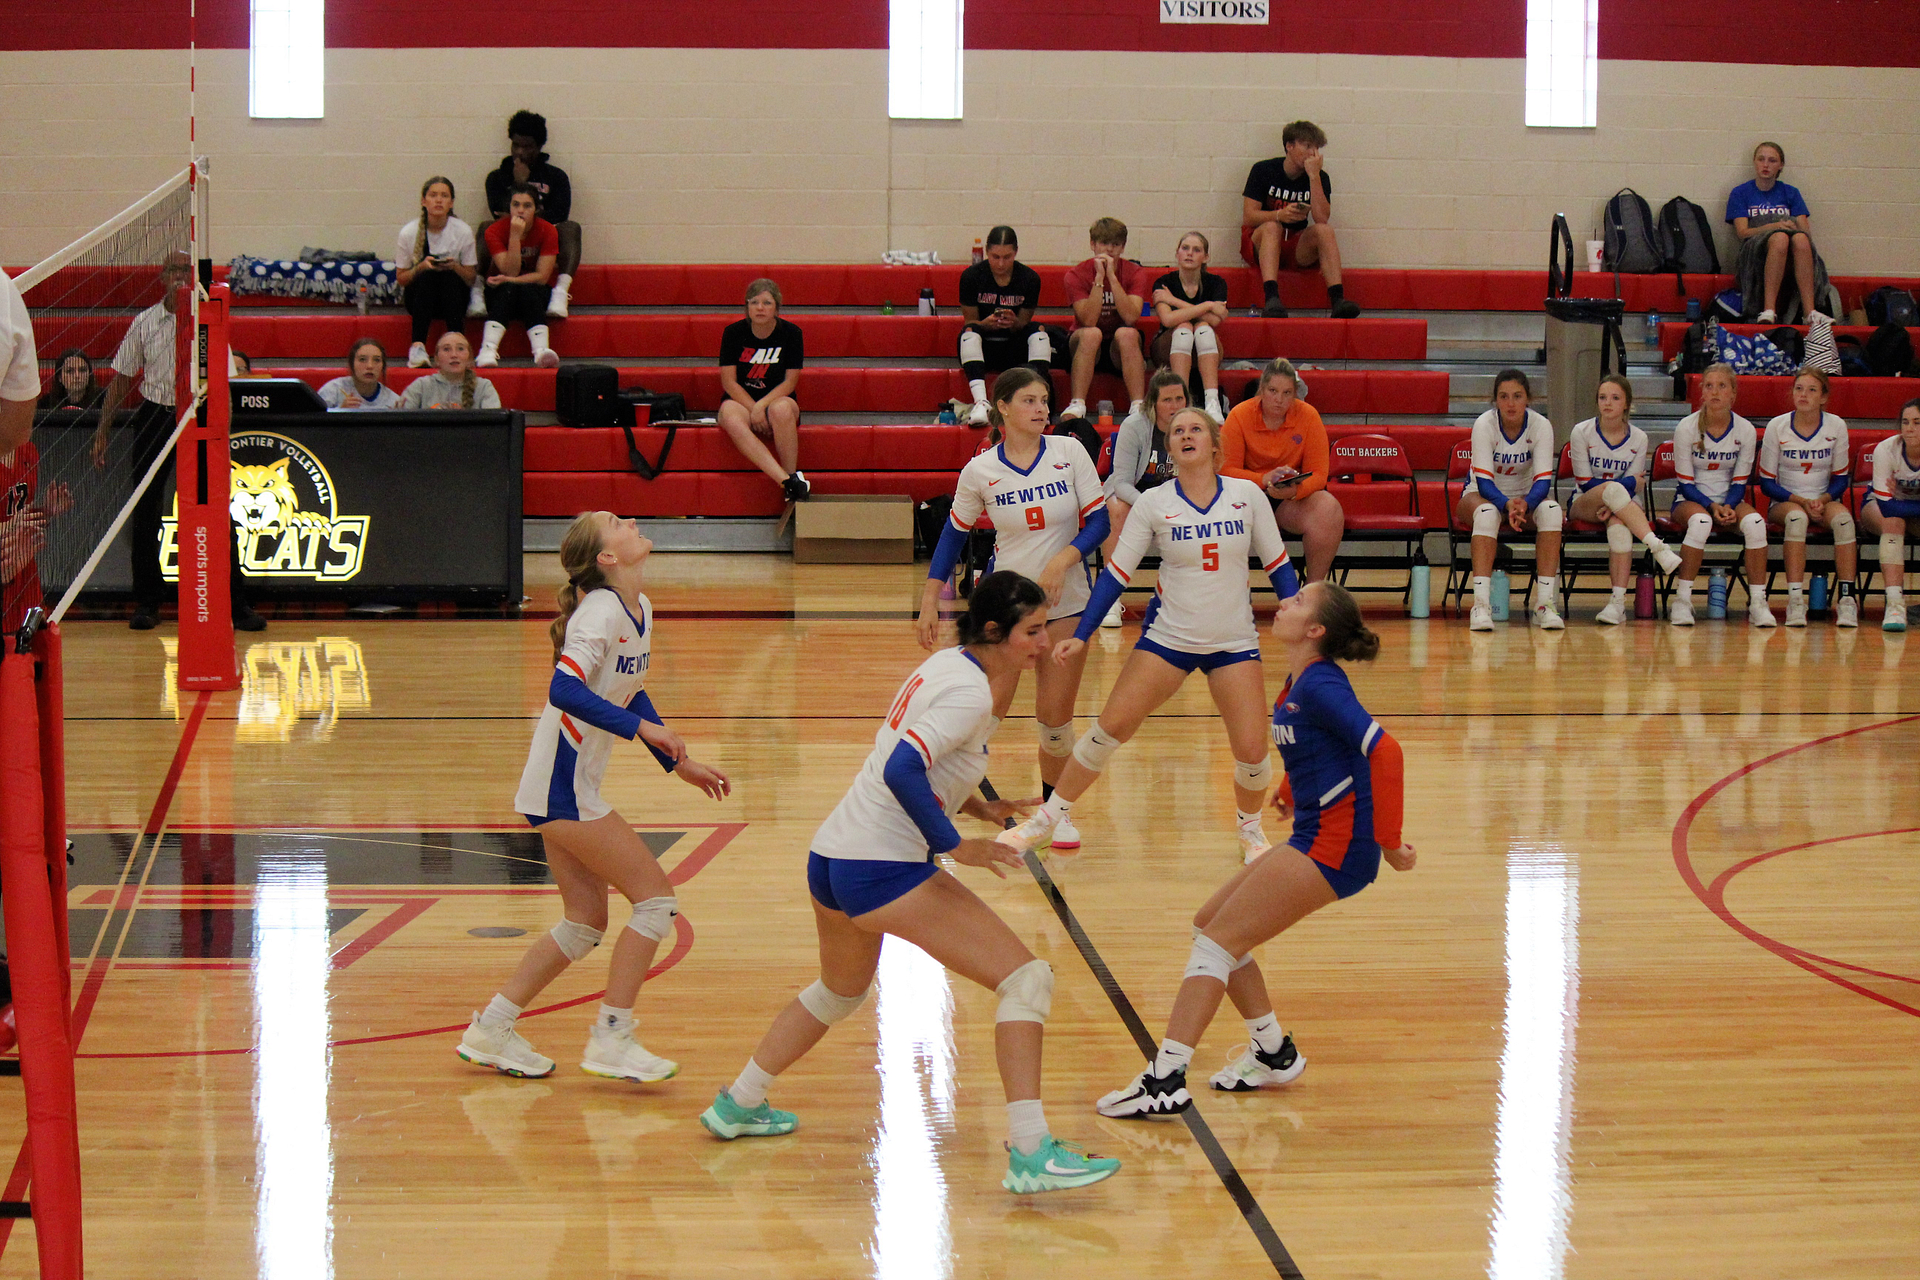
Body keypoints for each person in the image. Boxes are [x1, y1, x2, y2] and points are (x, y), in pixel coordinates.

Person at [699, 570, 1121, 1195]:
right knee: (1027, 980)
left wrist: (977, 806)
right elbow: (902, 768)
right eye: (1032, 632)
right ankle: (1032, 1151)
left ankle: (739, 1101)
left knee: (838, 993)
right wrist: (957, 846)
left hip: (833, 857)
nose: (1042, 643)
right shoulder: (970, 696)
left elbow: (915, 761)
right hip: (881, 867)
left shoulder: (949, 667)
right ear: (995, 631)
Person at [1096, 581, 1411, 1117]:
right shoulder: (1300, 681)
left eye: (1299, 602)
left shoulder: (1321, 685)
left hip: (1338, 847)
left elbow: (1386, 752)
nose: (1284, 602)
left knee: (1217, 943)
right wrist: (1290, 789)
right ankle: (1271, 1052)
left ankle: (1165, 1080)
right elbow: (1319, 747)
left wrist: (1390, 842)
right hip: (1314, 836)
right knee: (1210, 925)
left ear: (1316, 630)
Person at [458, 511, 731, 1083]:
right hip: (562, 788)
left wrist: (677, 762)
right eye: (616, 522)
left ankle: (491, 1028)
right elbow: (563, 687)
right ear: (606, 557)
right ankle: (611, 1036)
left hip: (561, 786)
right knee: (656, 902)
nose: (630, 520)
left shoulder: (639, 607)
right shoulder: (600, 611)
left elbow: (629, 690)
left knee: (584, 922)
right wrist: (643, 730)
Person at [1000, 406, 1300, 865]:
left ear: (1214, 445)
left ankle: (1250, 831)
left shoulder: (1247, 495)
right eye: (1177, 431)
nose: (1185, 435)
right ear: (1170, 448)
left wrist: (1301, 631)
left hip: (1233, 643)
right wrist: (1083, 633)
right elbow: (1116, 575)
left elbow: (1279, 567)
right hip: (1168, 640)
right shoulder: (1153, 502)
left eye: (1195, 429)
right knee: (1107, 731)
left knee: (1254, 754)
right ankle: (1046, 821)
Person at [917, 367, 1108, 839]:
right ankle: (935, 802)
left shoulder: (1069, 452)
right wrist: (930, 597)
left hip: (1066, 603)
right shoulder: (980, 469)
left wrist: (1062, 561)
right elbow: (953, 533)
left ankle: (1054, 814)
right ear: (1002, 408)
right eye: (1029, 400)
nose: (1041, 409)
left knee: (1055, 724)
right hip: (1005, 608)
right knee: (980, 713)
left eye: (1044, 400)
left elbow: (1100, 523)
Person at [92, 251, 264, 633]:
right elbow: (121, 378)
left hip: (200, 413)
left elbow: (222, 383)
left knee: (216, 506)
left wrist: (222, 435)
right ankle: (148, 601)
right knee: (146, 509)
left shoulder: (209, 320)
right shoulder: (145, 322)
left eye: (186, 271)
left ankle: (235, 603)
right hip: (156, 412)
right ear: (162, 277)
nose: (180, 277)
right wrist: (103, 430)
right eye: (173, 270)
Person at [1566, 375, 1684, 625]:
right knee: (1612, 489)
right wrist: (1620, 488)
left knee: (1619, 530)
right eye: (1602, 397)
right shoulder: (1581, 431)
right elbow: (1586, 482)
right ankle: (1657, 546)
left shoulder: (1639, 437)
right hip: (1585, 503)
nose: (1607, 403)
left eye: (1615, 398)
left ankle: (1617, 604)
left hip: (1623, 506)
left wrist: (1616, 499)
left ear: (1627, 403)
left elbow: (1635, 486)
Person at [1221, 357, 1345, 585]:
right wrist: (1262, 479)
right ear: (1261, 389)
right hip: (1247, 497)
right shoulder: (1239, 415)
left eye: (1287, 393)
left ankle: (1313, 590)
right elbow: (1226, 471)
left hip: (1288, 498)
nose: (1279, 400)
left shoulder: (1309, 416)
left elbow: (1319, 474)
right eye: (1273, 391)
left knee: (1329, 509)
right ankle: (1229, 588)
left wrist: (1295, 491)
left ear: (1295, 394)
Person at [1668, 363, 1770, 628]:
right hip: (1690, 499)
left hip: (1730, 499)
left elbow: (1740, 481)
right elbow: (1686, 484)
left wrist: (1728, 505)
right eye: (1709, 386)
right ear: (1701, 392)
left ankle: (1758, 602)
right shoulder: (1686, 427)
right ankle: (1682, 601)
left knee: (1756, 524)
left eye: (1722, 386)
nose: (1715, 392)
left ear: (1733, 393)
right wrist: (1712, 507)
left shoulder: (1745, 430)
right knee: (1701, 522)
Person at [1461, 369, 1562, 631]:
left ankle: (1545, 604)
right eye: (1504, 396)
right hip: (1481, 494)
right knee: (1487, 514)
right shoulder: (1484, 424)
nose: (1510, 403)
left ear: (1528, 398)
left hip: (1526, 496)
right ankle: (1481, 606)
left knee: (1552, 510)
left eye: (1517, 396)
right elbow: (1485, 483)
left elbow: (1543, 482)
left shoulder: (1541, 425)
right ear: (1495, 400)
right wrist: (1507, 505)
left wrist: (1525, 504)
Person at [1757, 367, 1856, 628]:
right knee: (1797, 519)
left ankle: (1847, 600)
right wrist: (1802, 501)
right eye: (1799, 389)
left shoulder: (1836, 426)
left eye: (1812, 390)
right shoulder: (1777, 426)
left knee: (1845, 522)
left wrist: (1823, 500)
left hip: (1824, 499)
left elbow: (1841, 480)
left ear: (1823, 397)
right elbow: (1767, 483)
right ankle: (1795, 600)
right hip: (1786, 501)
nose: (1804, 394)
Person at [3, 267, 71, 641]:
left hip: (24, 578)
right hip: (5, 567)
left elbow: (21, 515)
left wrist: (45, 510)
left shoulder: (27, 450)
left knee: (32, 659)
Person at [1241, 121, 1361, 320]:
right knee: (1272, 227)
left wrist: (1314, 177)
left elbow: (1321, 218)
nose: (1313, 153)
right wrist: (1278, 215)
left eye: (1316, 148)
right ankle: (1271, 298)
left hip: (1295, 243)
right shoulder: (1263, 170)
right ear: (1289, 146)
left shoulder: (1320, 177)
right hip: (1262, 240)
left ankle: (1338, 300)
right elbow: (1249, 216)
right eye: (1307, 146)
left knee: (1325, 231)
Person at [1101, 369, 1188, 626]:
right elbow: (1121, 482)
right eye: (1167, 400)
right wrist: (1149, 507)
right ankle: (1110, 600)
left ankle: (1178, 598)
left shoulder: (1193, 426)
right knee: (1116, 510)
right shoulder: (1134, 426)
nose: (1175, 406)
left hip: (1175, 497)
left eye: (1179, 399)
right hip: (1134, 496)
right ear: (1153, 404)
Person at [479, 110, 581, 320]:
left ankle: (561, 292)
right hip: (509, 243)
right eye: (515, 145)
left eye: (527, 147)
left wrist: (529, 217)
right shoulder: (497, 177)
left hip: (544, 241)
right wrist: (519, 184)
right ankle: (476, 290)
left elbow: (560, 213)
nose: (520, 152)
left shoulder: (556, 177)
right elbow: (498, 213)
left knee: (571, 228)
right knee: (485, 227)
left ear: (539, 146)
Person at [956, 226, 1059, 428]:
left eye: (1007, 257)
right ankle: (981, 403)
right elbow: (971, 321)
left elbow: (1024, 323)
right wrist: (986, 324)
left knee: (1039, 332)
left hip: (1014, 346)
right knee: (968, 333)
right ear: (987, 252)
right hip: (984, 346)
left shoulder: (1029, 278)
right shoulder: (971, 277)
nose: (1001, 263)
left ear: (1016, 253)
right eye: (995, 257)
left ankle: (1039, 403)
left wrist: (1014, 322)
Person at [717, 278, 809, 504]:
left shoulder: (792, 333)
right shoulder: (732, 333)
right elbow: (729, 382)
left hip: (778, 399)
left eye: (767, 303)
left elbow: (790, 382)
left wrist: (762, 406)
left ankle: (791, 473)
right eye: (754, 302)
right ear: (747, 307)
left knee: (781, 410)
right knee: (729, 415)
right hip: (741, 401)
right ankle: (788, 482)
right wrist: (754, 409)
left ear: (777, 308)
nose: (760, 308)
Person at [1062, 217, 1154, 423]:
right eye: (1104, 243)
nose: (1109, 249)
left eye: (1115, 244)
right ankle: (1077, 403)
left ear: (1123, 247)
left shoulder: (1135, 272)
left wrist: (1112, 277)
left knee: (1127, 333)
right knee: (1091, 334)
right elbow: (1088, 320)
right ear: (1093, 244)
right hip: (1085, 341)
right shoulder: (1076, 274)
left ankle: (1138, 405)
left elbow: (1131, 316)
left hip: (1119, 346)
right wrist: (1099, 278)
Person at [1727, 142, 1824, 325]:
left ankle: (1810, 311)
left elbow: (1805, 232)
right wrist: (1774, 226)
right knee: (1779, 238)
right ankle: (1769, 310)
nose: (1766, 165)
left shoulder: (1791, 192)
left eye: (1772, 161)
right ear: (1754, 162)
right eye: (1761, 159)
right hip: (1755, 251)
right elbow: (1742, 232)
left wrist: (1791, 227)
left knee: (1801, 239)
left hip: (1790, 251)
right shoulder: (1740, 193)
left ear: (1780, 165)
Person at [394, 176, 476, 369]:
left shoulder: (463, 231)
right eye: (433, 195)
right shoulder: (409, 232)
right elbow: (401, 278)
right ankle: (417, 347)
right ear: (424, 201)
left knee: (448, 277)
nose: (438, 200)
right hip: (420, 298)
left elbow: (471, 278)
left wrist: (454, 266)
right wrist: (421, 267)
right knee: (428, 276)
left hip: (454, 297)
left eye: (444, 196)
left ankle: (458, 345)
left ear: (451, 203)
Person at [1150, 231, 1230, 420]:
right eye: (1185, 248)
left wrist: (1173, 301)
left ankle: (1212, 402)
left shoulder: (1216, 283)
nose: (1189, 253)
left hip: (1206, 349)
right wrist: (1208, 306)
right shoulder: (1164, 283)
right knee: (1184, 327)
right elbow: (1168, 320)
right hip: (1168, 347)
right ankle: (1182, 402)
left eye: (1196, 250)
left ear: (1206, 257)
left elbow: (1215, 320)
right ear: (1177, 253)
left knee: (1203, 328)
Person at [478, 185, 560, 369]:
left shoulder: (548, 230)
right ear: (509, 207)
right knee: (508, 290)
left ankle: (541, 351)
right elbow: (511, 271)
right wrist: (515, 236)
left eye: (527, 205)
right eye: (516, 205)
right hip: (501, 293)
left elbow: (542, 277)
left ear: (536, 209)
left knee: (527, 289)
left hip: (533, 294)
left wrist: (511, 280)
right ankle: (488, 350)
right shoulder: (494, 231)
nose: (520, 210)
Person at [1861, 398, 1920, 632]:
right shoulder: (1886, 449)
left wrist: (1903, 500)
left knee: (1899, 518)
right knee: (1894, 523)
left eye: (1917, 422)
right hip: (1877, 506)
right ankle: (1895, 605)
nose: (1909, 428)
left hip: (1909, 509)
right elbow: (1887, 507)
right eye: (1905, 422)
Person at [398, 332, 501, 411]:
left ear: (469, 358)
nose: (454, 355)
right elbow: (403, 423)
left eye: (460, 349)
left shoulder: (484, 387)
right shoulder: (421, 386)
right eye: (446, 349)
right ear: (437, 359)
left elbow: (493, 427)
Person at [318, 338, 400, 411]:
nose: (370, 366)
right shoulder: (333, 391)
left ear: (383, 366)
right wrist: (341, 412)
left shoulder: (394, 402)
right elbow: (316, 421)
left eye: (376, 360)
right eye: (362, 359)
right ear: (352, 364)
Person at [36, 349, 99, 413]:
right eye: (69, 371)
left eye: (82, 370)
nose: (77, 376)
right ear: (59, 377)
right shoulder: (45, 404)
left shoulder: (102, 400)